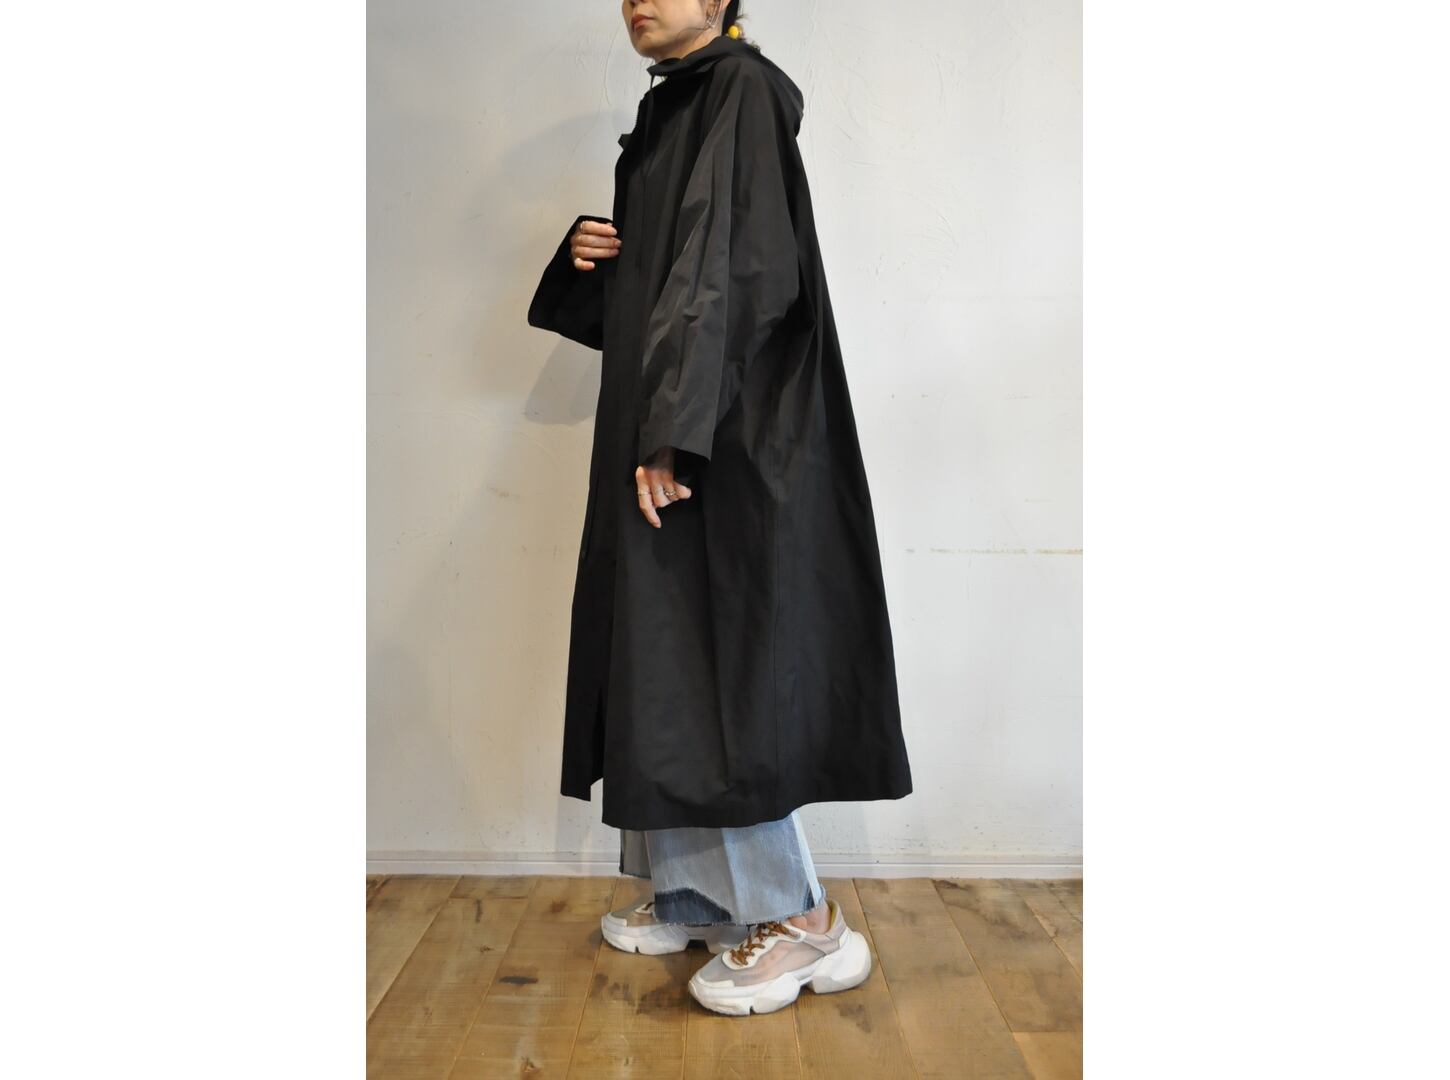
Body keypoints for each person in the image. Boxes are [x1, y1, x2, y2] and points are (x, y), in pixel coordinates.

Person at [526, 1, 913, 1016]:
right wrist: (590, 261)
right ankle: (702, 895)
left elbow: (736, 272)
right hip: (681, 418)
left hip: (725, 437)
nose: (637, 0)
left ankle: (802, 921)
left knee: (716, 677)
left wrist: (675, 430)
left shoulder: (737, 91)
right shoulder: (675, 106)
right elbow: (669, 281)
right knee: (669, 665)